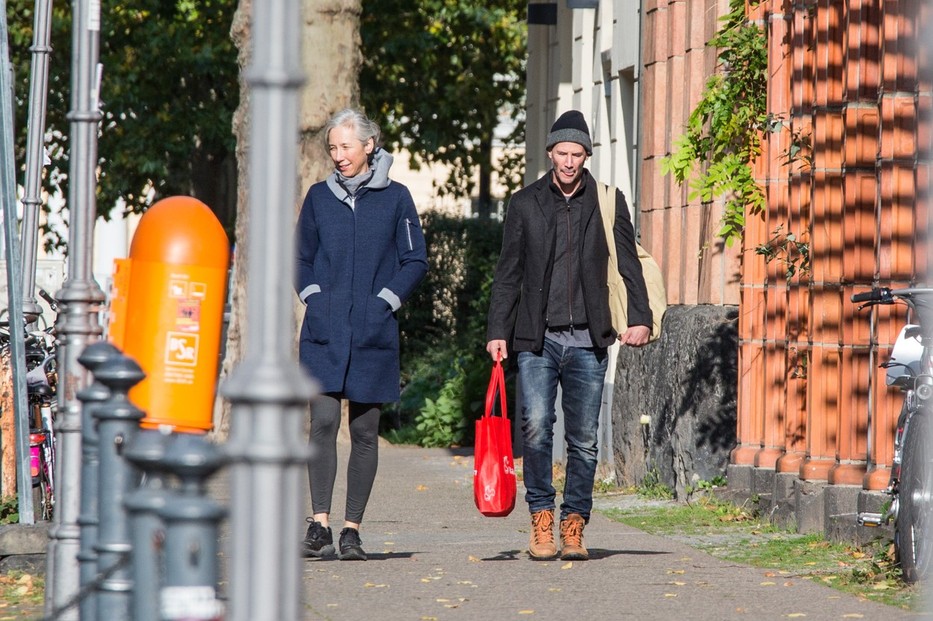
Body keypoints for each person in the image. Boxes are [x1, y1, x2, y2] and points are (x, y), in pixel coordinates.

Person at [485, 110, 652, 561]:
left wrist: (641, 317)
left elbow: (628, 263)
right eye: (563, 153)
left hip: (589, 340)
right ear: (550, 153)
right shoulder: (524, 204)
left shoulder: (607, 201)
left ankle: (574, 523)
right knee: (536, 429)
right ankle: (541, 517)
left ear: (587, 156)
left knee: (583, 439)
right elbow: (508, 273)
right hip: (536, 339)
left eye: (578, 154)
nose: (570, 161)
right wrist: (497, 330)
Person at [296, 108, 428, 561]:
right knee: (323, 424)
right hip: (324, 333)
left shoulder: (397, 199)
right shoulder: (318, 198)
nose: (338, 155)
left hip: (373, 333)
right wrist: (315, 298)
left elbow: (416, 261)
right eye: (332, 148)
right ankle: (319, 525)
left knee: (365, 432)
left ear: (369, 146)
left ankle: (351, 529)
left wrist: (383, 303)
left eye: (346, 147)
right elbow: (301, 258)